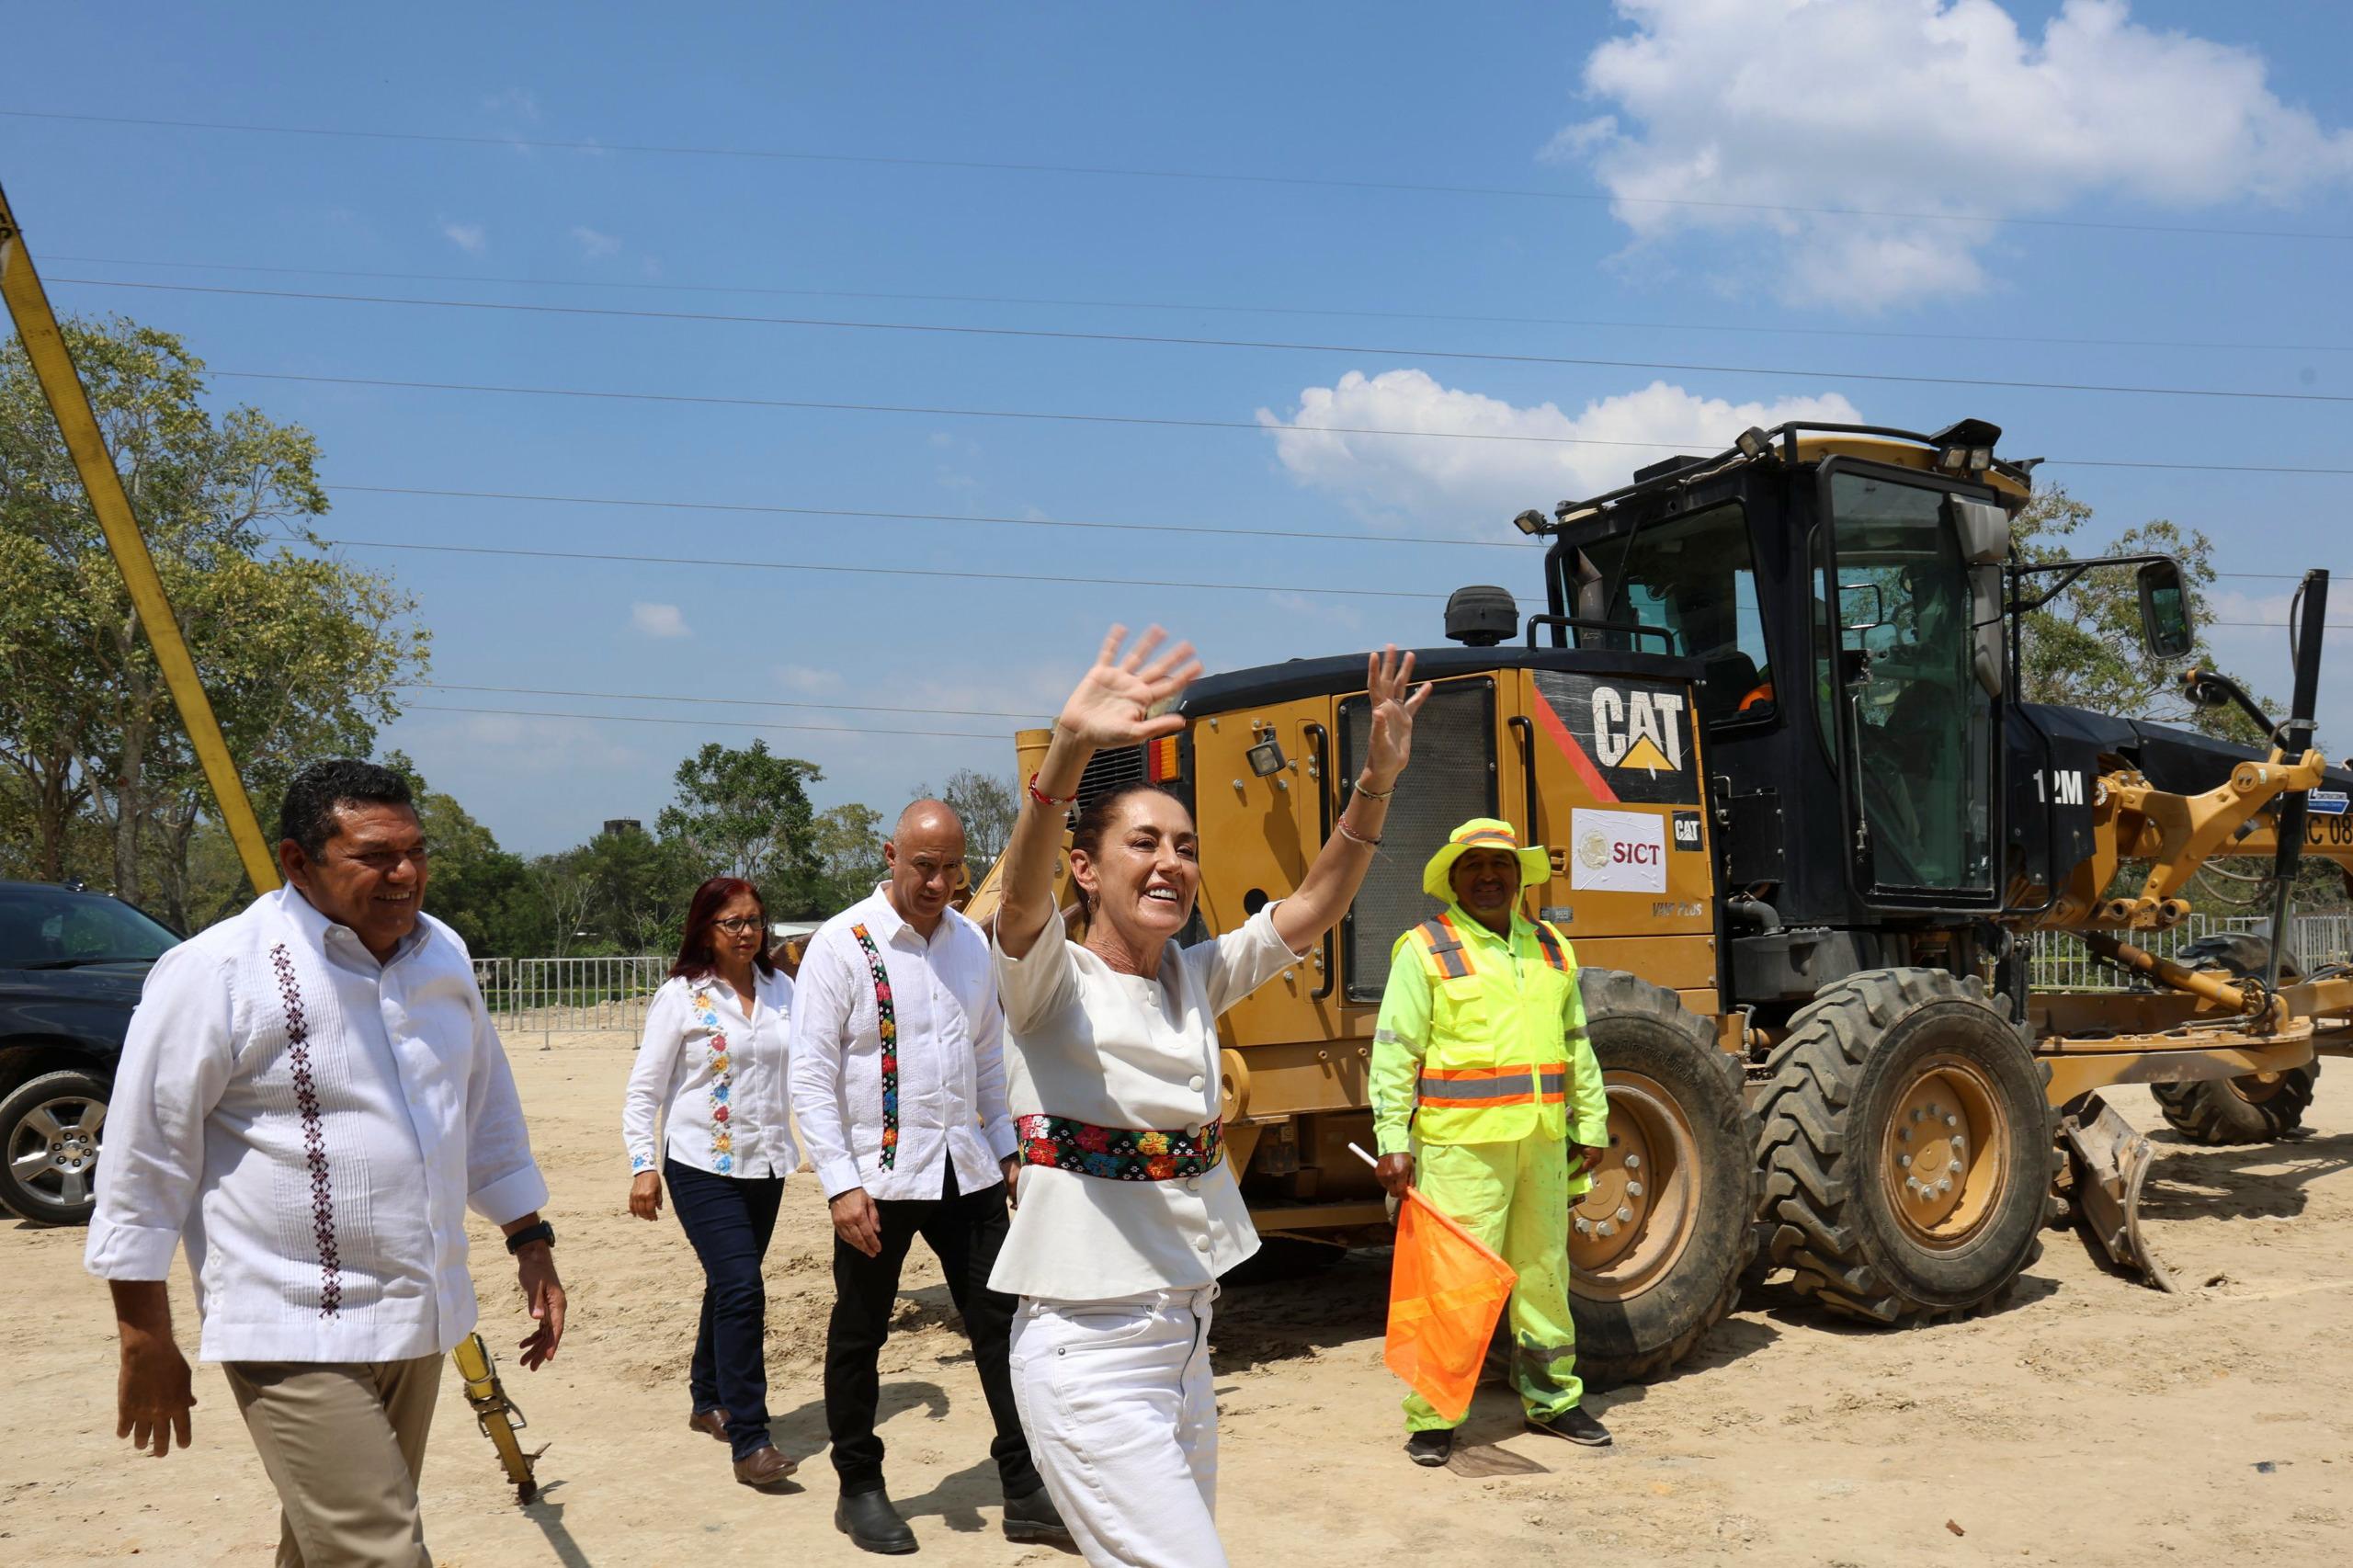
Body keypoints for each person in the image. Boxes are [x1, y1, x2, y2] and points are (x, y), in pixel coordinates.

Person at [991, 627, 1427, 1568]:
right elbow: (1016, 906)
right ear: (1086, 867)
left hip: (1185, 1343)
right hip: (1088, 1349)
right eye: (1141, 842)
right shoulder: (1048, 983)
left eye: (1184, 847)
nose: (1170, 862)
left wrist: (1376, 780)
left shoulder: (1192, 977)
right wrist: (1066, 757)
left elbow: (1310, 905)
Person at [85, 758, 564, 1568]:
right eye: (374, 856)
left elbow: (485, 1112)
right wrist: (143, 1336)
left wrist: (531, 1241)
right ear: (298, 861)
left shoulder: (441, 955)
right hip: (291, 1320)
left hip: (419, 1310)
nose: (404, 874)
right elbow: (145, 1159)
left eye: (415, 851)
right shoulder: (217, 971)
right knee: (380, 1553)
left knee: (323, 1548)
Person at [789, 801, 1068, 1554]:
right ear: (890, 855)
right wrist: (841, 1186)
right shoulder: (844, 945)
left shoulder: (970, 949)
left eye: (952, 869)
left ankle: (1024, 1488)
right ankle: (859, 1487)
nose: (938, 882)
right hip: (878, 1180)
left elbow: (986, 1057)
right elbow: (810, 1076)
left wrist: (1009, 1152)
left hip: (967, 1170)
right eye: (924, 866)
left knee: (1003, 1327)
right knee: (860, 1333)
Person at [1370, 817, 1612, 1466]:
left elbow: (1578, 1045)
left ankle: (1554, 1400)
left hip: (1540, 1143)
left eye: (1499, 866)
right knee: (1453, 1284)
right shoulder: (1426, 948)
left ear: (1518, 877)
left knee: (1544, 1277)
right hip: (1459, 1148)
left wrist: (1591, 1123)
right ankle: (1434, 1416)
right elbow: (1395, 1051)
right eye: (1473, 867)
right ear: (1453, 878)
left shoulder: (1552, 947)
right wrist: (1393, 1137)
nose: (1487, 877)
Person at [622, 876, 800, 1488]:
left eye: (754, 920)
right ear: (706, 929)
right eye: (733, 922)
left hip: (769, 1164)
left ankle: (706, 1398)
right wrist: (644, 1165)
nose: (747, 932)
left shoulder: (783, 991)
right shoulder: (681, 996)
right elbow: (645, 1088)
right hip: (701, 1164)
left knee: (729, 1286)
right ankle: (751, 1441)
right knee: (744, 1289)